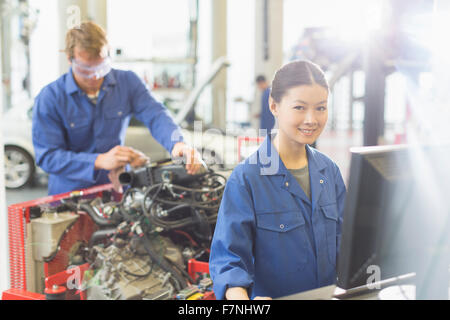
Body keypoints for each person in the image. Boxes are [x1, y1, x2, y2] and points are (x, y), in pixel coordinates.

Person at [209, 60, 346, 300]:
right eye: (300, 108)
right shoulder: (246, 178)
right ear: (274, 105)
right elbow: (229, 263)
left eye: (321, 108)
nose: (311, 119)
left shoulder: (330, 172)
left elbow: (347, 247)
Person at [32, 21, 201, 195]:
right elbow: (48, 156)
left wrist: (177, 143)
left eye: (101, 67)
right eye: (86, 70)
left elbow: (156, 114)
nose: (95, 76)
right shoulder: (50, 97)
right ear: (69, 59)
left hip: (116, 190)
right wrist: (98, 161)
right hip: (69, 197)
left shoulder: (127, 83)